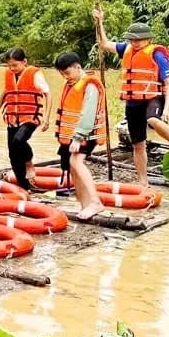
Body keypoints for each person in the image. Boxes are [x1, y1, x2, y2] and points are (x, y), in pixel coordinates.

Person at [92, 8, 169, 187]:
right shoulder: (126, 49)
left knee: (153, 119)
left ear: (148, 39)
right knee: (138, 144)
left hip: (153, 97)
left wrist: (166, 109)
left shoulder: (157, 54)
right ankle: (143, 183)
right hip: (133, 102)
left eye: (138, 39)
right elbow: (104, 44)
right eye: (131, 39)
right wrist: (99, 22)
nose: (134, 42)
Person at [53, 52, 107, 220]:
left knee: (76, 162)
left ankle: (95, 202)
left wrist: (78, 137)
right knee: (72, 164)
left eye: (67, 73)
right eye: (62, 74)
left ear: (78, 67)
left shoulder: (89, 85)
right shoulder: (72, 84)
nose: (65, 77)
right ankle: (85, 205)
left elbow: (88, 114)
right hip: (74, 134)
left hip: (86, 133)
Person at [0, 47, 51, 190]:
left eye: (15, 65)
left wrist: (47, 117)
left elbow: (48, 94)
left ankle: (29, 161)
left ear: (24, 62)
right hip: (12, 118)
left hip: (30, 118)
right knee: (13, 154)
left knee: (18, 140)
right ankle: (25, 188)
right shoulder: (9, 74)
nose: (12, 68)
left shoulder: (34, 74)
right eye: (9, 66)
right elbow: (6, 92)